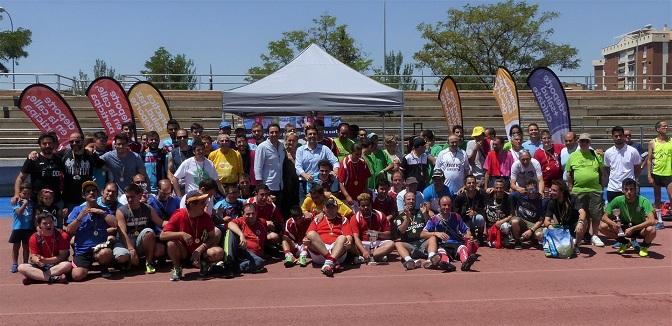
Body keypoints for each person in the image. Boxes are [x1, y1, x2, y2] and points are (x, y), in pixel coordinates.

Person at [160, 191, 224, 281]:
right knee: (171, 243)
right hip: (184, 251)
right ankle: (177, 268)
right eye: (202, 203)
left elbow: (212, 237)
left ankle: (204, 263)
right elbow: (162, 235)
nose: (205, 205)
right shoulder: (179, 215)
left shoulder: (205, 216)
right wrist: (182, 234)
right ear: (192, 205)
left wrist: (200, 249)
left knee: (218, 252)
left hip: (201, 250)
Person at [67, 181, 123, 281]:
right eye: (88, 191)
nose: (91, 193)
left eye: (94, 191)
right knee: (77, 276)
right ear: (83, 195)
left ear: (98, 194)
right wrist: (79, 218)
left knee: (105, 252)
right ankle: (85, 267)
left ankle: (104, 267)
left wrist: (102, 213)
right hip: (83, 250)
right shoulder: (77, 210)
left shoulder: (104, 209)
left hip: (99, 248)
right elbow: (69, 230)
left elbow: (115, 224)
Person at [115, 183, 167, 274]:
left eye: (132, 197)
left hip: (140, 242)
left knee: (158, 246)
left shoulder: (148, 208)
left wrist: (176, 223)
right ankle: (128, 262)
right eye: (127, 197)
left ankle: (149, 263)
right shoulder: (121, 211)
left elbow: (161, 223)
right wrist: (131, 249)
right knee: (121, 257)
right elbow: (122, 233)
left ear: (139, 196)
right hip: (126, 242)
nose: (130, 200)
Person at [599, 178, 657, 257]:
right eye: (626, 189)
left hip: (639, 228)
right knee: (602, 226)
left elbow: (652, 221)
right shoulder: (617, 200)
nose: (629, 192)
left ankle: (644, 247)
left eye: (631, 189)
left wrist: (633, 228)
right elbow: (604, 217)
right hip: (623, 227)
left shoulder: (643, 201)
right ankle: (625, 243)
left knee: (652, 229)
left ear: (636, 190)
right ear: (622, 190)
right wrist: (614, 224)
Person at [566, 133, 605, 247]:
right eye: (582, 141)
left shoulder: (596, 155)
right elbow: (569, 173)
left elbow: (602, 172)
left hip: (595, 189)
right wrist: (570, 187)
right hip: (578, 190)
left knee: (596, 214)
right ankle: (584, 235)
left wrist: (602, 187)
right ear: (578, 142)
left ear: (590, 143)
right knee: (582, 214)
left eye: (586, 141)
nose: (584, 143)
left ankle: (595, 235)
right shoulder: (573, 156)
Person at [421, 196, 479, 271]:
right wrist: (436, 233)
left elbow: (466, 230)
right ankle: (446, 264)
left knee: (463, 248)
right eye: (444, 205)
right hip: (443, 245)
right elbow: (422, 234)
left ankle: (466, 263)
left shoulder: (456, 216)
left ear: (451, 206)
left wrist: (469, 236)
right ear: (439, 206)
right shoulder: (435, 219)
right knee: (441, 252)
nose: (447, 207)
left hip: (456, 244)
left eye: (449, 205)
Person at [17, 213, 71, 284]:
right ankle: (52, 278)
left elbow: (62, 256)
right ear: (39, 225)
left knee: (67, 265)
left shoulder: (62, 235)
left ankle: (36, 277)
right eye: (45, 223)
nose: (49, 225)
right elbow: (33, 256)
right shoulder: (34, 237)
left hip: (57, 264)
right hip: (41, 266)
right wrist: (36, 260)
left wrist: (45, 260)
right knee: (21, 267)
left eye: (51, 222)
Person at [13, 132, 64, 207]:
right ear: (40, 145)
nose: (47, 145)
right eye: (44, 143)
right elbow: (20, 178)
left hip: (56, 201)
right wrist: (17, 194)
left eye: (50, 143)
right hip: (37, 203)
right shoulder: (33, 159)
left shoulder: (60, 159)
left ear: (54, 144)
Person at [305, 198, 353, 277]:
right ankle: (331, 261)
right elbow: (307, 236)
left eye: (333, 207)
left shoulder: (343, 219)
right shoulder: (317, 219)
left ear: (337, 208)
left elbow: (348, 236)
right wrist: (306, 241)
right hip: (320, 251)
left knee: (342, 238)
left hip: (337, 251)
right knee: (311, 234)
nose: (330, 209)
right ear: (324, 208)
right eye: (328, 207)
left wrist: (349, 242)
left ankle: (329, 263)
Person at [295, 125, 340, 203]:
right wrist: (305, 175)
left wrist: (335, 171)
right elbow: (298, 166)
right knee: (305, 207)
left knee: (321, 207)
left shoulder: (324, 148)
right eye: (310, 134)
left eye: (314, 134)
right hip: (304, 182)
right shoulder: (300, 150)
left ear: (317, 135)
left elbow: (335, 161)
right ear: (306, 136)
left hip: (320, 184)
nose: (312, 136)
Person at [226, 203, 275, 274]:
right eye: (248, 214)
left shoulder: (261, 222)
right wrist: (241, 235)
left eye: (253, 213)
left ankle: (237, 267)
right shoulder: (241, 221)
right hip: (244, 252)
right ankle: (231, 265)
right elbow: (230, 224)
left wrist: (271, 224)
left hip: (256, 256)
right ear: (243, 214)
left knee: (259, 261)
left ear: (256, 213)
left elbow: (269, 224)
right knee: (260, 262)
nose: (251, 216)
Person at [544, 180, 589, 255]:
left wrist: (580, 222)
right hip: (562, 228)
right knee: (544, 231)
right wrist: (551, 227)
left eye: (554, 190)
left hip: (574, 228)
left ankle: (576, 245)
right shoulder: (551, 202)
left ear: (562, 192)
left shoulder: (572, 198)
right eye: (551, 190)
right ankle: (565, 242)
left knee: (584, 223)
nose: (551, 192)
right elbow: (546, 220)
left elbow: (582, 212)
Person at [349, 193, 395, 263]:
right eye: (363, 206)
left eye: (368, 205)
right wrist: (364, 251)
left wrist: (378, 233)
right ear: (359, 206)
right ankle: (377, 256)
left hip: (377, 244)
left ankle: (370, 257)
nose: (366, 208)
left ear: (371, 205)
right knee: (349, 244)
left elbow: (389, 235)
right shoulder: (355, 218)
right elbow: (356, 238)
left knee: (391, 244)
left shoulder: (380, 215)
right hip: (362, 244)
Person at [392, 192, 432, 270]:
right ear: (404, 201)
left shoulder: (421, 211)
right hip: (410, 246)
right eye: (408, 199)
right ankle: (410, 261)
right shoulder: (399, 217)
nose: (411, 201)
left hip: (423, 244)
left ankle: (431, 259)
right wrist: (407, 218)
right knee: (397, 244)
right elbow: (401, 231)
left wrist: (425, 215)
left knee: (433, 238)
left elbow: (430, 227)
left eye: (413, 199)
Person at [603, 126, 642, 202]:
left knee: (630, 212)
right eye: (616, 136)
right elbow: (607, 169)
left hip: (629, 189)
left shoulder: (633, 151)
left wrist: (630, 181)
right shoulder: (608, 152)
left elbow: (637, 169)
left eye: (620, 135)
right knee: (614, 213)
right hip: (613, 188)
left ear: (623, 136)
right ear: (612, 137)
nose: (618, 138)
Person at [254, 123, 285, 206]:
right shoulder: (262, 147)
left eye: (276, 132)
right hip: (268, 186)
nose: (274, 134)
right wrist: (261, 188)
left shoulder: (282, 146)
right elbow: (257, 168)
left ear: (279, 133)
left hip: (280, 186)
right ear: (268, 133)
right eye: (272, 132)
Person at [510, 180, 545, 248]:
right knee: (514, 221)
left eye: (533, 189)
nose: (531, 192)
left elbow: (541, 220)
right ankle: (518, 241)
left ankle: (533, 239)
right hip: (522, 222)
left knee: (539, 235)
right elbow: (510, 195)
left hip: (533, 224)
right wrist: (519, 189)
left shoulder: (541, 200)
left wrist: (531, 230)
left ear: (537, 189)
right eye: (529, 189)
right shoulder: (520, 195)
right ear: (526, 189)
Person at [452, 175, 487, 241]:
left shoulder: (480, 195)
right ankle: (470, 232)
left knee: (480, 218)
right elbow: (455, 212)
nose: (471, 184)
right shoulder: (460, 196)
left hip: (475, 219)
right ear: (465, 185)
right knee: (468, 238)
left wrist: (475, 212)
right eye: (469, 183)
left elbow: (483, 209)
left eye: (473, 183)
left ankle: (480, 237)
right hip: (463, 220)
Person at [646, 120, 672, 211]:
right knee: (657, 198)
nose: (666, 127)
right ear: (658, 129)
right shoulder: (652, 143)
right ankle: (660, 220)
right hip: (656, 173)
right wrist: (649, 175)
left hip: (669, 173)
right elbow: (649, 160)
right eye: (663, 126)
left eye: (667, 126)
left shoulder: (671, 141)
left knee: (671, 196)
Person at [9, 183, 33, 273]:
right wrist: (24, 204)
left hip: (28, 229)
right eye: (24, 193)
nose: (26, 196)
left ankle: (25, 263)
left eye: (28, 194)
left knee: (26, 247)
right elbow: (19, 212)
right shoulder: (16, 202)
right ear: (20, 193)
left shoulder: (32, 203)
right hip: (18, 228)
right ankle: (15, 263)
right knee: (16, 247)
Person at [533, 130, 564, 197]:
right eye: (544, 138)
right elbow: (536, 169)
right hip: (546, 184)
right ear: (541, 140)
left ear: (551, 138)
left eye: (548, 138)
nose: (546, 140)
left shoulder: (559, 147)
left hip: (558, 182)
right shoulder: (538, 153)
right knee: (547, 201)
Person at [483, 179, 513, 246]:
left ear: (504, 188)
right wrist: (484, 230)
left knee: (506, 226)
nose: (499, 190)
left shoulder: (509, 198)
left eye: (501, 188)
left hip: (502, 224)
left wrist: (501, 222)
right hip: (490, 226)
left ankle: (505, 237)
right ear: (493, 188)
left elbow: (511, 215)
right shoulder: (488, 196)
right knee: (493, 244)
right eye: (497, 188)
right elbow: (484, 213)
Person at [282, 132, 301, 217]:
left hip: (297, 184)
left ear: (297, 142)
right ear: (285, 141)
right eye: (289, 140)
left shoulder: (300, 153)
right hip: (284, 184)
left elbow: (300, 168)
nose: (291, 142)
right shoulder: (281, 152)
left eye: (294, 140)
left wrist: (292, 160)